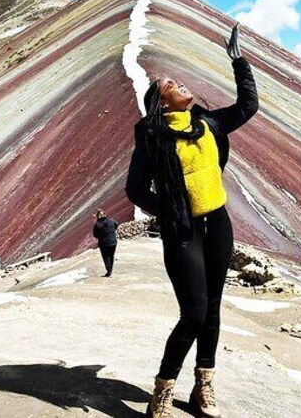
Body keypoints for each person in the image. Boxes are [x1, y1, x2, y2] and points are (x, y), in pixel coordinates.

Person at [126, 23, 258, 418]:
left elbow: (247, 107)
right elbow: (135, 190)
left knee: (213, 309)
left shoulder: (209, 125)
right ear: (162, 102)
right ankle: (162, 392)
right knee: (194, 313)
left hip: (217, 226)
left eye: (180, 81)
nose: (182, 85)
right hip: (183, 235)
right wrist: (168, 210)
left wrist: (239, 63)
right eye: (172, 85)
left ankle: (204, 388)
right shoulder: (152, 138)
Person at [93, 209, 119, 277]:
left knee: (106, 257)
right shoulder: (111, 220)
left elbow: (95, 235)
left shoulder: (97, 225)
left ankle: (109, 271)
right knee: (111, 256)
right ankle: (110, 270)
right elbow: (116, 225)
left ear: (98, 216)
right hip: (113, 242)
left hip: (104, 244)